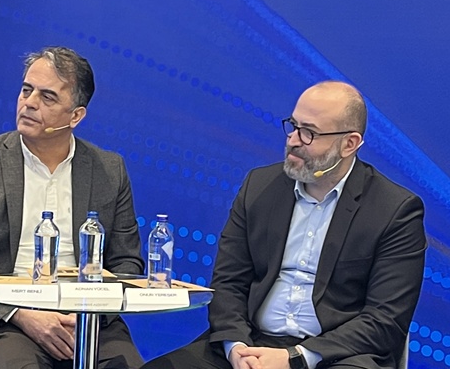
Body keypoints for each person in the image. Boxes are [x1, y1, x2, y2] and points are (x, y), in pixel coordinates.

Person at [144, 81, 426, 369]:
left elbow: (385, 319)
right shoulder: (259, 186)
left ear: (349, 144)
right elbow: (228, 283)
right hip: (251, 344)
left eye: (309, 133)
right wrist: (236, 347)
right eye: (293, 126)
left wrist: (295, 358)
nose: (293, 140)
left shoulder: (394, 210)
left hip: (336, 355)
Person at [0, 47, 145, 369]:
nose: (29, 103)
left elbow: (127, 261)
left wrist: (88, 314)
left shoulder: (109, 170)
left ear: (75, 116)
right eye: (26, 90)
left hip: (88, 320)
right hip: (3, 321)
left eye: (47, 97)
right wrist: (20, 313)